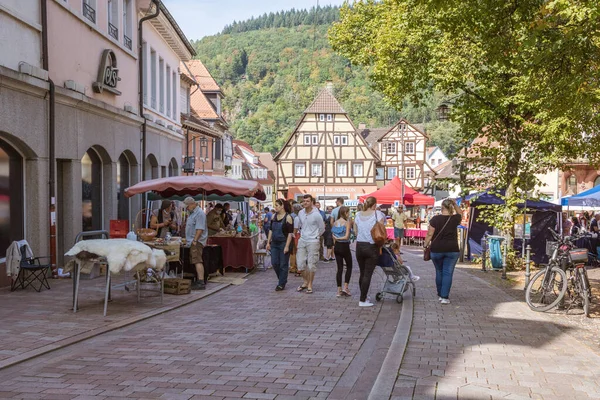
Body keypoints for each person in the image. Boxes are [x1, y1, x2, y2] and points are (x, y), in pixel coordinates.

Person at [423, 198, 462, 305]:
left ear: (442, 208)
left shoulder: (435, 219)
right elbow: (460, 213)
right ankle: (444, 297)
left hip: (437, 249)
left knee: (439, 271)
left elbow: (430, 234)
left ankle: (440, 294)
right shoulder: (455, 219)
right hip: (452, 249)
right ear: (451, 207)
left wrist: (425, 245)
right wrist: (455, 204)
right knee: (448, 273)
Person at [354, 196, 386, 307]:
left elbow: (355, 230)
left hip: (359, 246)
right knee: (367, 274)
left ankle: (364, 296)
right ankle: (362, 300)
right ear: (374, 205)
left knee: (362, 273)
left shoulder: (358, 215)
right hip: (371, 246)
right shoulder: (378, 214)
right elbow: (381, 230)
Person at [295, 194, 325, 294]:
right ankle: (305, 281)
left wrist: (316, 236)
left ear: (312, 202)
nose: (305, 203)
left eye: (307, 201)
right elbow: (300, 225)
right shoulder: (300, 213)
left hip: (313, 240)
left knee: (312, 264)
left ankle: (309, 285)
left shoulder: (316, 214)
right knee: (300, 264)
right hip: (303, 239)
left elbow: (322, 228)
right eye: (304, 201)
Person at [266, 199, 295, 291]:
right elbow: (271, 230)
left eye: (277, 205)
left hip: (284, 243)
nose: (275, 207)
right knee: (274, 263)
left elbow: (290, 233)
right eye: (275, 205)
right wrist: (268, 242)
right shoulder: (273, 216)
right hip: (274, 243)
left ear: (282, 206)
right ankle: (282, 279)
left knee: (283, 264)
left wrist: (287, 246)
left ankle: (281, 283)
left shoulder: (288, 217)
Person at [183, 197, 207, 290]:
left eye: (188, 206)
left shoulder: (199, 214)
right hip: (192, 241)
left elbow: (200, 229)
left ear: (193, 204)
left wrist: (195, 240)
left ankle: (201, 282)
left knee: (197, 260)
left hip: (196, 241)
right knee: (195, 260)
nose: (187, 208)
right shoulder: (193, 213)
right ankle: (198, 280)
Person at [332, 206, 353, 297]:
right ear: (345, 213)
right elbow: (347, 236)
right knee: (349, 266)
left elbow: (333, 235)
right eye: (348, 212)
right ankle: (346, 287)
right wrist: (339, 238)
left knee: (339, 268)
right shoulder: (347, 222)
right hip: (344, 245)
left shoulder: (335, 222)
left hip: (337, 246)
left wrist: (336, 240)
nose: (349, 214)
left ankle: (339, 290)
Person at [290, 202, 303, 276]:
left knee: (297, 252)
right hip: (303, 235)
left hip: (297, 236)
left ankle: (299, 269)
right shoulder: (304, 216)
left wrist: (292, 236)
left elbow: (295, 229)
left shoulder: (297, 218)